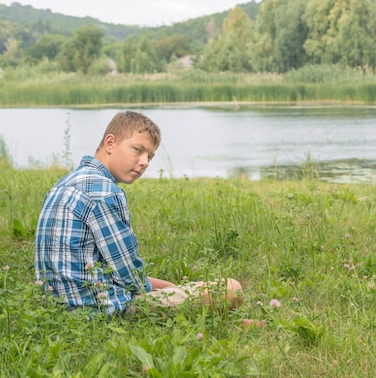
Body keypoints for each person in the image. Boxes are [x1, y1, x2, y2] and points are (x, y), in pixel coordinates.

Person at [34, 111, 244, 316]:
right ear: (110, 143)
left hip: (57, 308)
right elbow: (130, 276)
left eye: (150, 157)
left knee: (176, 289)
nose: (144, 162)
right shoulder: (104, 192)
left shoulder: (62, 184)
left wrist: (169, 287)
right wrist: (170, 292)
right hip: (98, 310)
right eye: (137, 150)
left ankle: (214, 315)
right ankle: (222, 320)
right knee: (231, 289)